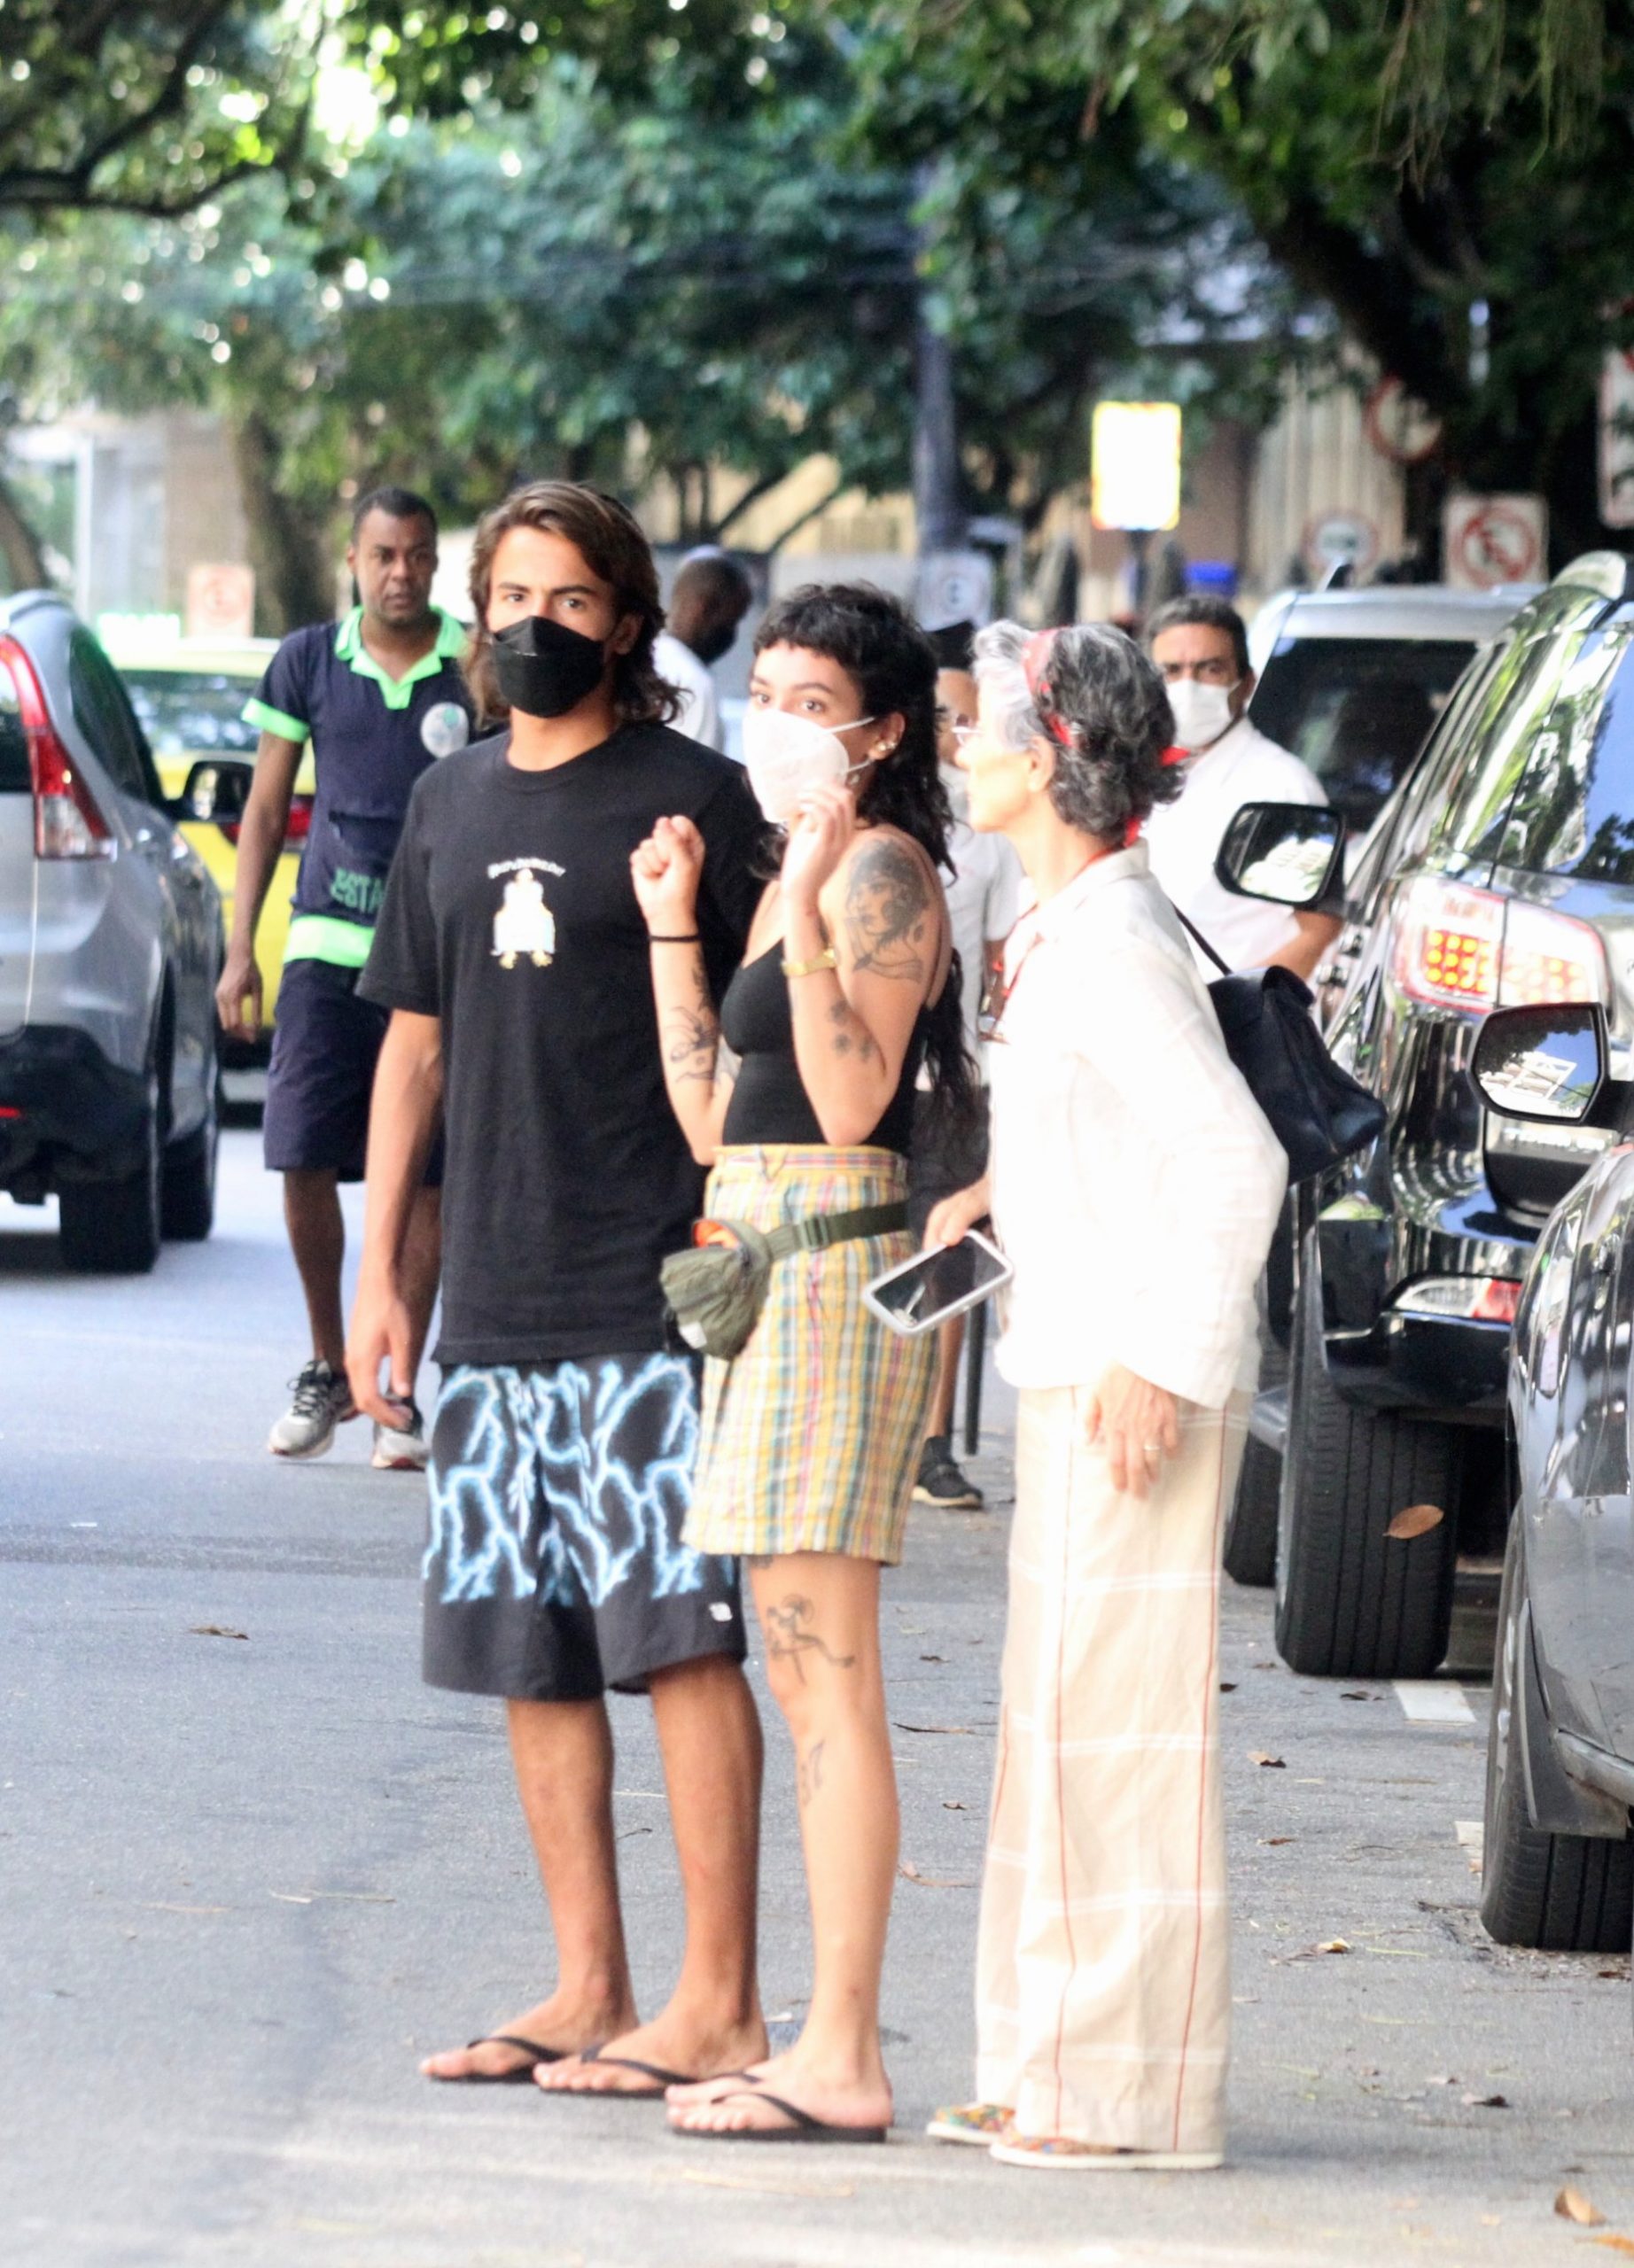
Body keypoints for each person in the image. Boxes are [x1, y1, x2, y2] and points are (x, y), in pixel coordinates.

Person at [346, 480, 770, 2093]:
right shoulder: (446, 806)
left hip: (652, 1292)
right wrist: (383, 1280)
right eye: (512, 595)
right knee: (524, 1656)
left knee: (675, 1644)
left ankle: (716, 2000)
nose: (539, 624)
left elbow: (767, 1043)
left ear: (627, 621)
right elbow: (414, 1047)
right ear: (475, 617)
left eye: (572, 599)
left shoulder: (701, 798)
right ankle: (589, 1985)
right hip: (494, 1303)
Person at [926, 620, 1286, 2171]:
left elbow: (1232, 1157)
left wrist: (1162, 1359)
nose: (961, 745)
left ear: (1052, 758)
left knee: (1120, 1744)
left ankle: (1125, 2100)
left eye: (983, 725)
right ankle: (1045, 2069)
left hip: (1125, 1383)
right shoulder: (1078, 925)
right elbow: (1124, 1136)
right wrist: (1005, 1193)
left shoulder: (1117, 941)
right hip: (1077, 1364)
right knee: (1057, 1735)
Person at [631, 582, 975, 2145]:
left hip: (836, 1268)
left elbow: (850, 1104)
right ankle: (813, 2035)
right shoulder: (787, 874)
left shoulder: (881, 868)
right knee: (790, 1659)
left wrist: (831, 889)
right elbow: (714, 1117)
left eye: (809, 695)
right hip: (756, 1260)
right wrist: (666, 926)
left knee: (829, 1674)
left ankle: (841, 2047)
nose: (774, 714)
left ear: (881, 729)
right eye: (758, 685)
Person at [218, 486, 473, 1468]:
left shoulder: (474, 662)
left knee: (429, 1172)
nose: (400, 572)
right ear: (354, 561)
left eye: (416, 555)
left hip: (441, 953)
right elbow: (264, 808)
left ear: (434, 561)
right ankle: (330, 1363)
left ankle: (396, 1377)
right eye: (382, 555)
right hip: (328, 941)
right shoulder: (308, 660)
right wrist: (244, 948)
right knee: (301, 1151)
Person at [909, 623, 1023, 1511]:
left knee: (947, 1250)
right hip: (861, 1069)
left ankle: (931, 1438)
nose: (958, 736)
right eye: (944, 715)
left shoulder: (987, 833)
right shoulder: (870, 813)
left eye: (969, 721)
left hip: (955, 1073)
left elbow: (997, 960)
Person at [1142, 594, 1342, 979]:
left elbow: (1318, 928)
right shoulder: (1139, 779)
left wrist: (1244, 1012)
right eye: (1171, 671)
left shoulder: (1282, 787)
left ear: (1246, 682)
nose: (1189, 687)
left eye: (1210, 669)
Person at [653, 549, 754, 753]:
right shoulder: (694, 685)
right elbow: (695, 782)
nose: (732, 633)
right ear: (703, 609)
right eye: (732, 620)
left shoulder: (641, 660)